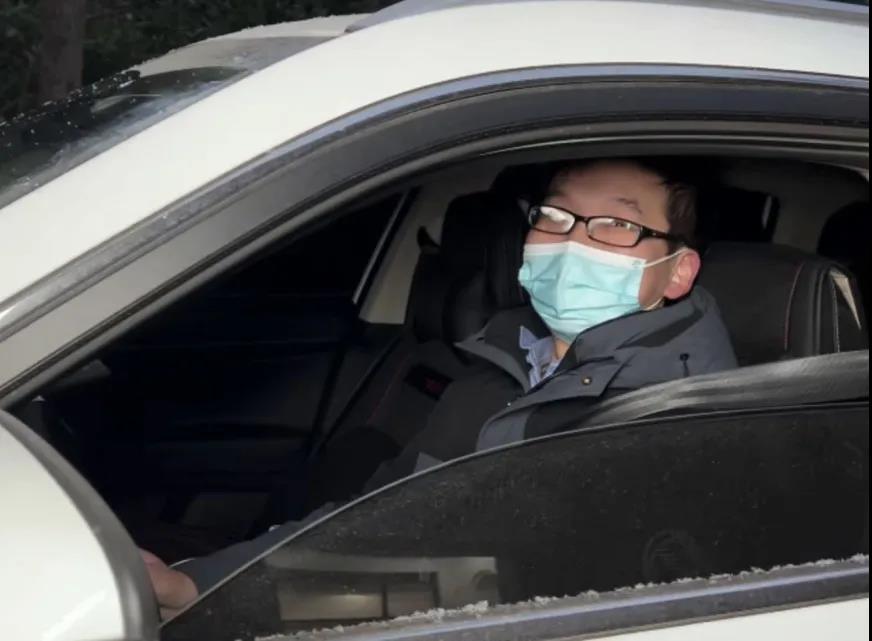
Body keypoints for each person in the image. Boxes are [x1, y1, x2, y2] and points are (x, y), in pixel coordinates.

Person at [143, 158, 738, 613]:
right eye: (554, 218)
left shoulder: (675, 417)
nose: (571, 243)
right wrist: (206, 579)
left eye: (615, 225)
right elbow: (378, 516)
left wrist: (225, 601)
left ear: (678, 272)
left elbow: (514, 592)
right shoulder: (505, 360)